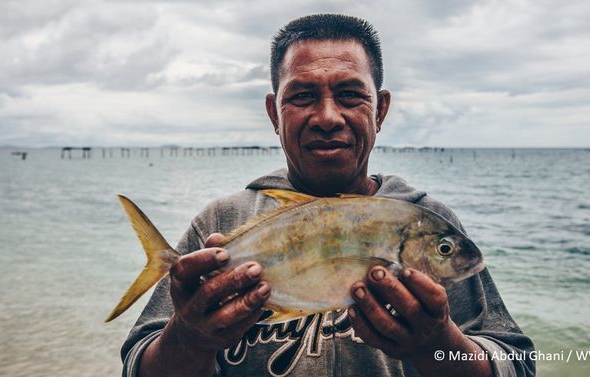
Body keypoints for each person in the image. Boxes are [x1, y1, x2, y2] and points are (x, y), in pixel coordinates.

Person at [121, 14, 535, 377]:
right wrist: (190, 337)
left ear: (381, 110)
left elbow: (514, 363)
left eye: (351, 95)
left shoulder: (423, 218)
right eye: (302, 96)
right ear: (273, 113)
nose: (327, 117)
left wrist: (437, 347)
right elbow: (138, 366)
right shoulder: (220, 224)